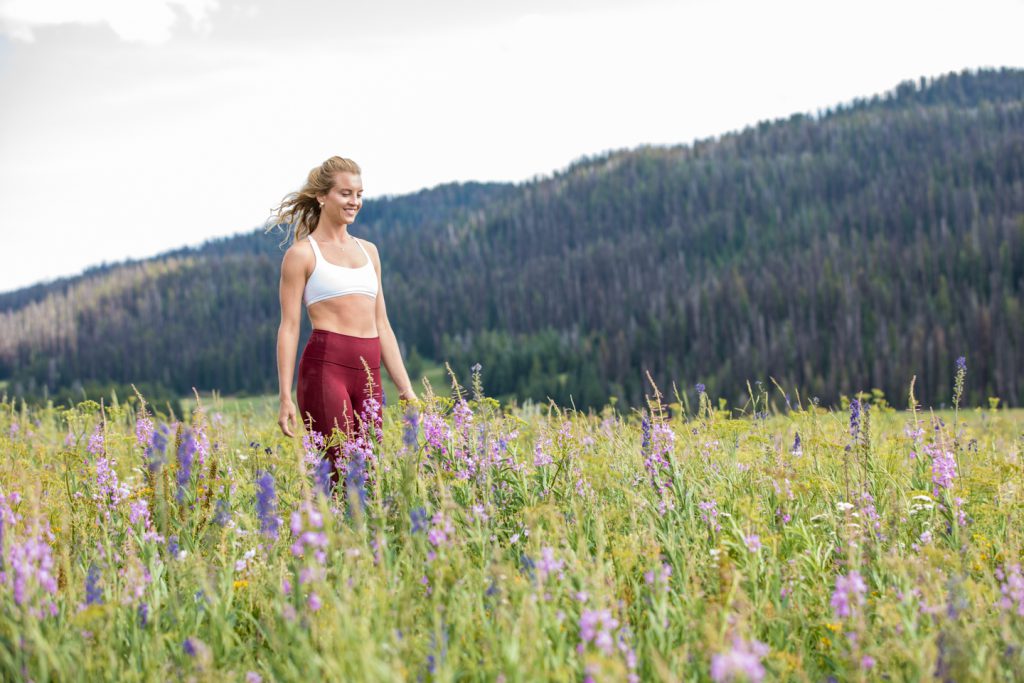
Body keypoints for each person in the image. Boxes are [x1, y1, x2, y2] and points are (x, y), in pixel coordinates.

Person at [271, 156, 418, 488]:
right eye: (346, 193)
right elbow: (289, 327)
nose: (355, 202)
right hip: (326, 369)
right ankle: (328, 538)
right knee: (339, 473)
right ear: (323, 196)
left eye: (359, 194)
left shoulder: (369, 252)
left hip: (369, 371)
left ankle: (361, 540)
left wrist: (406, 389)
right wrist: (284, 395)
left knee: (369, 472)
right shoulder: (302, 255)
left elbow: (383, 324)